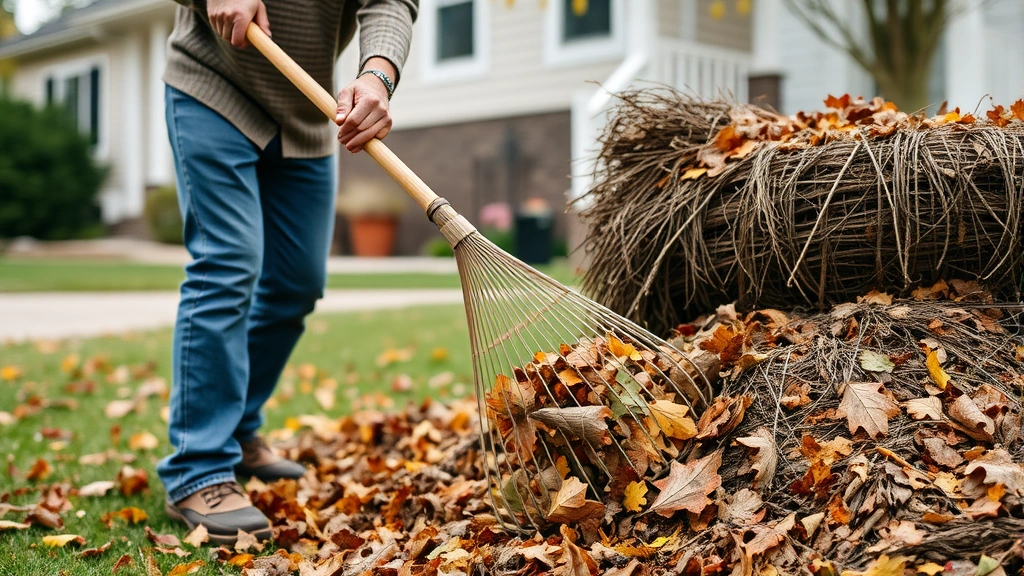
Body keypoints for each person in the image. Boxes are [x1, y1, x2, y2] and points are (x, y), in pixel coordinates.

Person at [157, 0, 417, 544]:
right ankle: (197, 466)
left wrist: (376, 76)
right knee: (227, 263)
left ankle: (239, 429)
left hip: (307, 108)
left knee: (296, 283)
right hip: (213, 84)